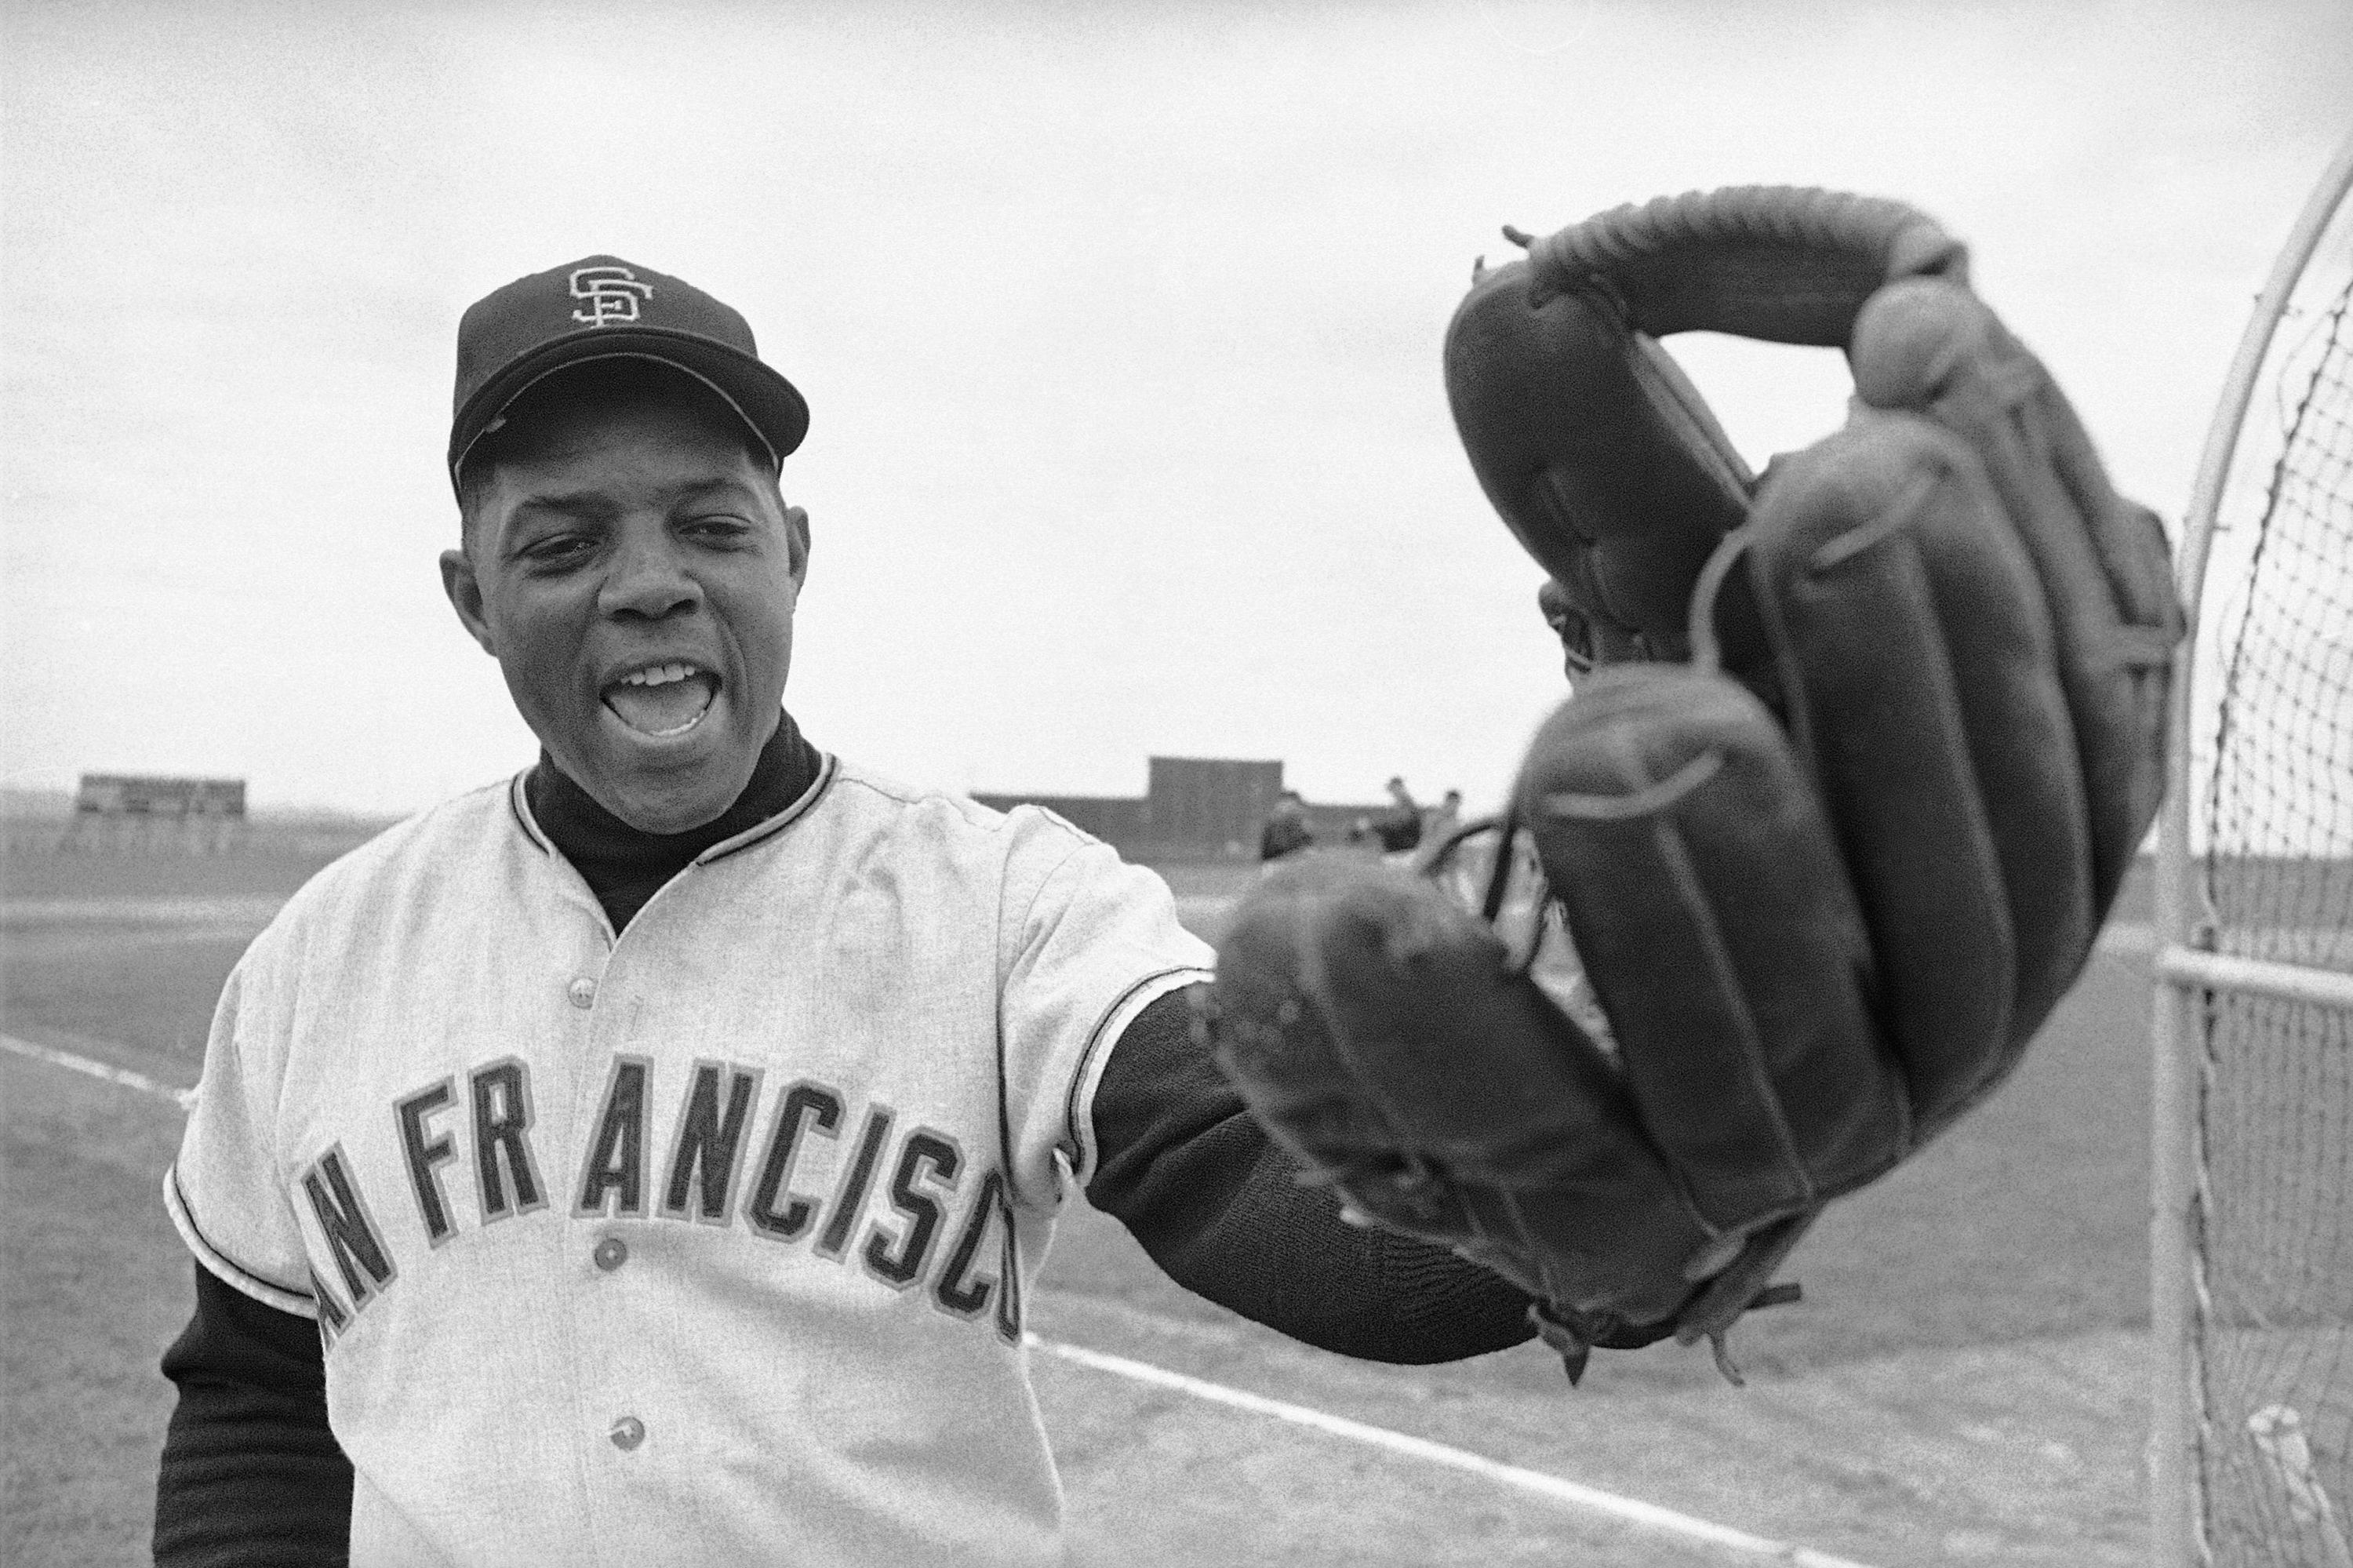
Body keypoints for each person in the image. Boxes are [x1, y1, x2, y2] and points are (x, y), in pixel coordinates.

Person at [151, 256, 1536, 1567]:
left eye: (711, 524)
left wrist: (1643, 1132)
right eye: (564, 543)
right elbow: (257, 1399)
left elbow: (1262, 1174)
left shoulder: (1006, 903)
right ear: (473, 597)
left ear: (793, 552)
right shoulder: (320, 961)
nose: (649, 583)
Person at [1257, 787, 1314, 863]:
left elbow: (1307, 841)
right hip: (1279, 859)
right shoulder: (1275, 821)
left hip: (1288, 859)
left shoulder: (1301, 821)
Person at [1371, 774, 1423, 853]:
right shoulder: (1399, 805)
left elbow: (1399, 825)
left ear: (1401, 788)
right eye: (1391, 789)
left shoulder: (1406, 804)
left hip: (1404, 849)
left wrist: (1374, 827)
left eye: (1394, 788)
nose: (1393, 792)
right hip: (1399, 848)